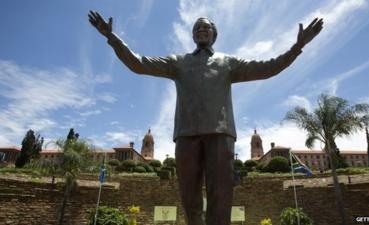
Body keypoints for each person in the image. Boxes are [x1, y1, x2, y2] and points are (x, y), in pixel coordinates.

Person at [88, 11, 323, 225]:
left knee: (220, 199)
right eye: (197, 28)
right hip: (186, 135)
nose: (201, 30)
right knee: (189, 198)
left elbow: (268, 67)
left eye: (206, 27)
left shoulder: (227, 63)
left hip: (220, 135)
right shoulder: (178, 62)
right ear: (192, 35)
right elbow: (138, 64)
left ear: (214, 34)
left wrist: (297, 47)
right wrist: (112, 38)